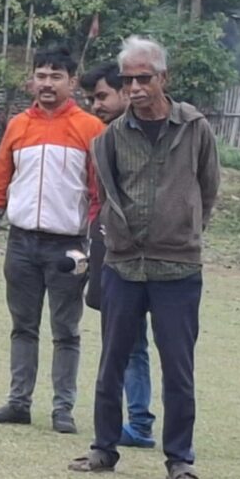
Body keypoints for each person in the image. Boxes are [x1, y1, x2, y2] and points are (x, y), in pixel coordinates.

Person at [69, 36, 219, 479]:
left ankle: (180, 459)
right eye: (128, 79)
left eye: (143, 78)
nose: (134, 87)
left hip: (178, 268)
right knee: (112, 359)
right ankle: (103, 448)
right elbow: (108, 194)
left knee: (178, 365)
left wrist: (185, 228)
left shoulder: (194, 128)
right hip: (123, 265)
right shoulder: (111, 137)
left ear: (163, 79)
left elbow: (208, 189)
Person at [0, 48, 103, 434]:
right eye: (41, 75)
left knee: (66, 330)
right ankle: (19, 402)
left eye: (56, 76)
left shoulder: (91, 128)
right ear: (31, 79)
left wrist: (95, 245)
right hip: (21, 241)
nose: (47, 83)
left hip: (69, 246)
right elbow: (0, 179)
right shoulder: (18, 125)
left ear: (72, 82)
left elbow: (99, 193)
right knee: (23, 326)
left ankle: (62, 409)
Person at [77, 64, 155, 448]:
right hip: (103, 237)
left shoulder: (142, 140)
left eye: (103, 96)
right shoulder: (103, 138)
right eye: (92, 98)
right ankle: (122, 418)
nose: (96, 105)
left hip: (138, 248)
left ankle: (139, 422)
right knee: (115, 333)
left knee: (131, 337)